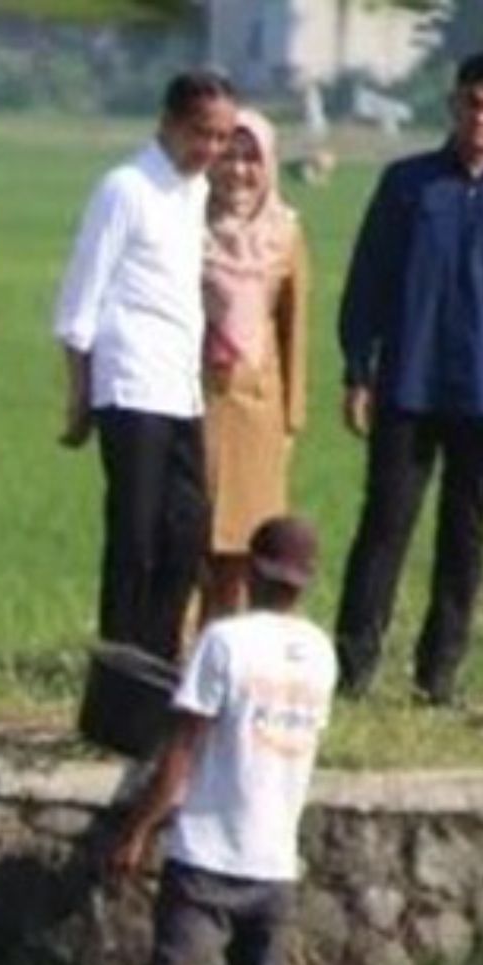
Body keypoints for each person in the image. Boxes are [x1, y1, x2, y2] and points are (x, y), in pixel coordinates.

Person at [334, 52, 483, 705]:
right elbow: (367, 284)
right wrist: (357, 371)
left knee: (463, 540)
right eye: (470, 104)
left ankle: (437, 678)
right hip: (406, 387)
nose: (480, 119)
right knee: (382, 529)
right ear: (451, 105)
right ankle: (352, 672)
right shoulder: (407, 186)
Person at [109, 515, 337, 965]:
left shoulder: (225, 641)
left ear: (252, 573)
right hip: (276, 856)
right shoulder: (320, 652)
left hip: (211, 847)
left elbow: (183, 751)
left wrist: (137, 830)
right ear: (304, 581)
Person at [53, 72, 237, 661]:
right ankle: (120, 656)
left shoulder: (196, 193)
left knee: (187, 529)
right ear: (168, 122)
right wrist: (79, 395)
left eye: (221, 137)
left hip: (179, 386)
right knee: (135, 532)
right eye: (200, 133)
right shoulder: (125, 189)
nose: (210, 148)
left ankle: (159, 652)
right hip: (129, 380)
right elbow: (81, 297)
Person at [200, 109, 309, 618]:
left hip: (258, 411)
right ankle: (176, 654)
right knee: (189, 536)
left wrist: (291, 419)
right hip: (195, 401)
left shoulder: (285, 234)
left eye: (251, 158)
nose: (239, 170)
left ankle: (238, 646)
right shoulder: (184, 224)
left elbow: (294, 330)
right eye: (228, 155)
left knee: (248, 544)